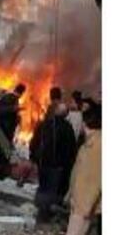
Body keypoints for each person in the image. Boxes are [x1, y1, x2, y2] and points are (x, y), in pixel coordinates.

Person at [56, 103, 101, 235]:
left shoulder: (97, 147)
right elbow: (78, 174)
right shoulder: (93, 143)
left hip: (85, 204)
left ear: (87, 123)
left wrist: (84, 206)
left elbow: (94, 180)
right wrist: (69, 195)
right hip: (87, 203)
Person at [29, 87, 78, 222]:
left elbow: (33, 143)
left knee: (44, 186)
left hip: (43, 163)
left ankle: (42, 210)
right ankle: (45, 215)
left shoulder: (43, 125)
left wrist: (34, 157)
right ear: (64, 114)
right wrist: (68, 164)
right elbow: (71, 148)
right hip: (57, 166)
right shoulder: (67, 127)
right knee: (51, 189)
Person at [0, 83, 26, 179]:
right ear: (21, 92)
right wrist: (13, 109)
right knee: (3, 152)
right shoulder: (9, 98)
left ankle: (2, 172)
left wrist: (16, 117)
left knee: (4, 151)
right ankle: (0, 173)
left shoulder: (12, 99)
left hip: (6, 129)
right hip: (5, 129)